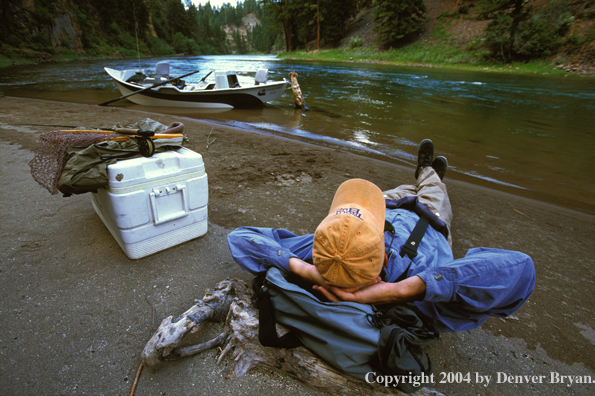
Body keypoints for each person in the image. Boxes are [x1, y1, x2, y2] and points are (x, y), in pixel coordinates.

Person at [227, 139, 536, 333]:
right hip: (430, 219)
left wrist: (304, 268)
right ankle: (429, 174)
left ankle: (424, 175)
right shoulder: (423, 300)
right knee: (433, 195)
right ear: (384, 256)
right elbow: (521, 269)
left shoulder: (316, 254)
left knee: (396, 192)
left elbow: (241, 237)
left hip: (385, 205)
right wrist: (400, 291)